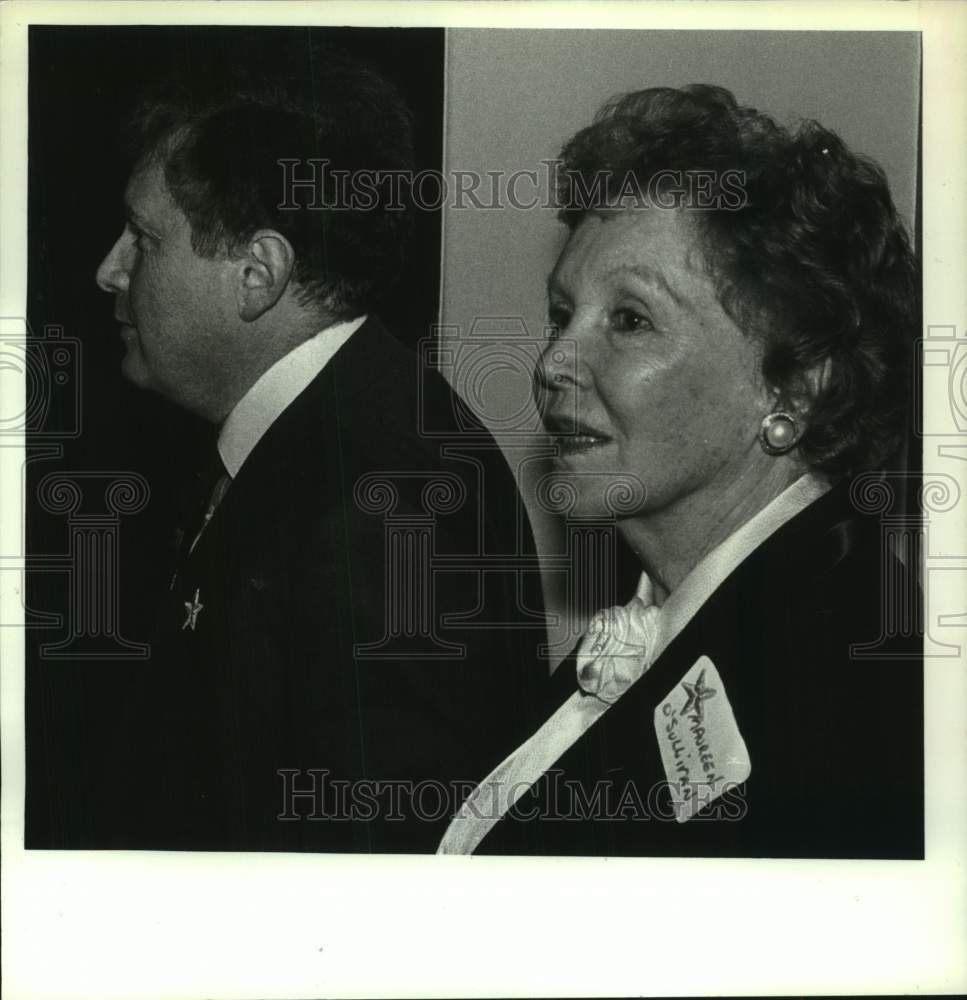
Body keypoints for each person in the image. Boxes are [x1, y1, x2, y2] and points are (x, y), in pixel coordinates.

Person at [440, 84, 923, 859]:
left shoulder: (840, 687)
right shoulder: (689, 619)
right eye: (562, 315)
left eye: (629, 320)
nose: (554, 361)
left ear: (794, 387)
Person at [92, 63, 548, 853]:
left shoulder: (382, 505)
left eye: (144, 239)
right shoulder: (334, 423)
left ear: (258, 275)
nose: (110, 271)